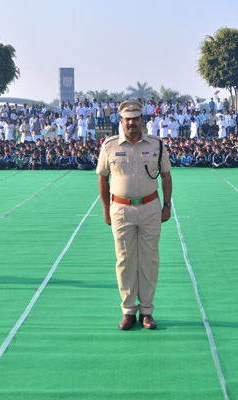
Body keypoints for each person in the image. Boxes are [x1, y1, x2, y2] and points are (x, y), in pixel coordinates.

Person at [96, 99, 172, 331]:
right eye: (127, 119)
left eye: (135, 119)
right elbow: (102, 178)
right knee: (125, 261)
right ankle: (128, 311)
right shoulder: (109, 146)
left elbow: (166, 176)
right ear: (121, 121)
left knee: (149, 260)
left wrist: (167, 205)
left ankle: (147, 311)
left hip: (150, 208)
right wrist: (106, 209)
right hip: (121, 209)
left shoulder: (157, 145)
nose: (131, 123)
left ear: (142, 120)